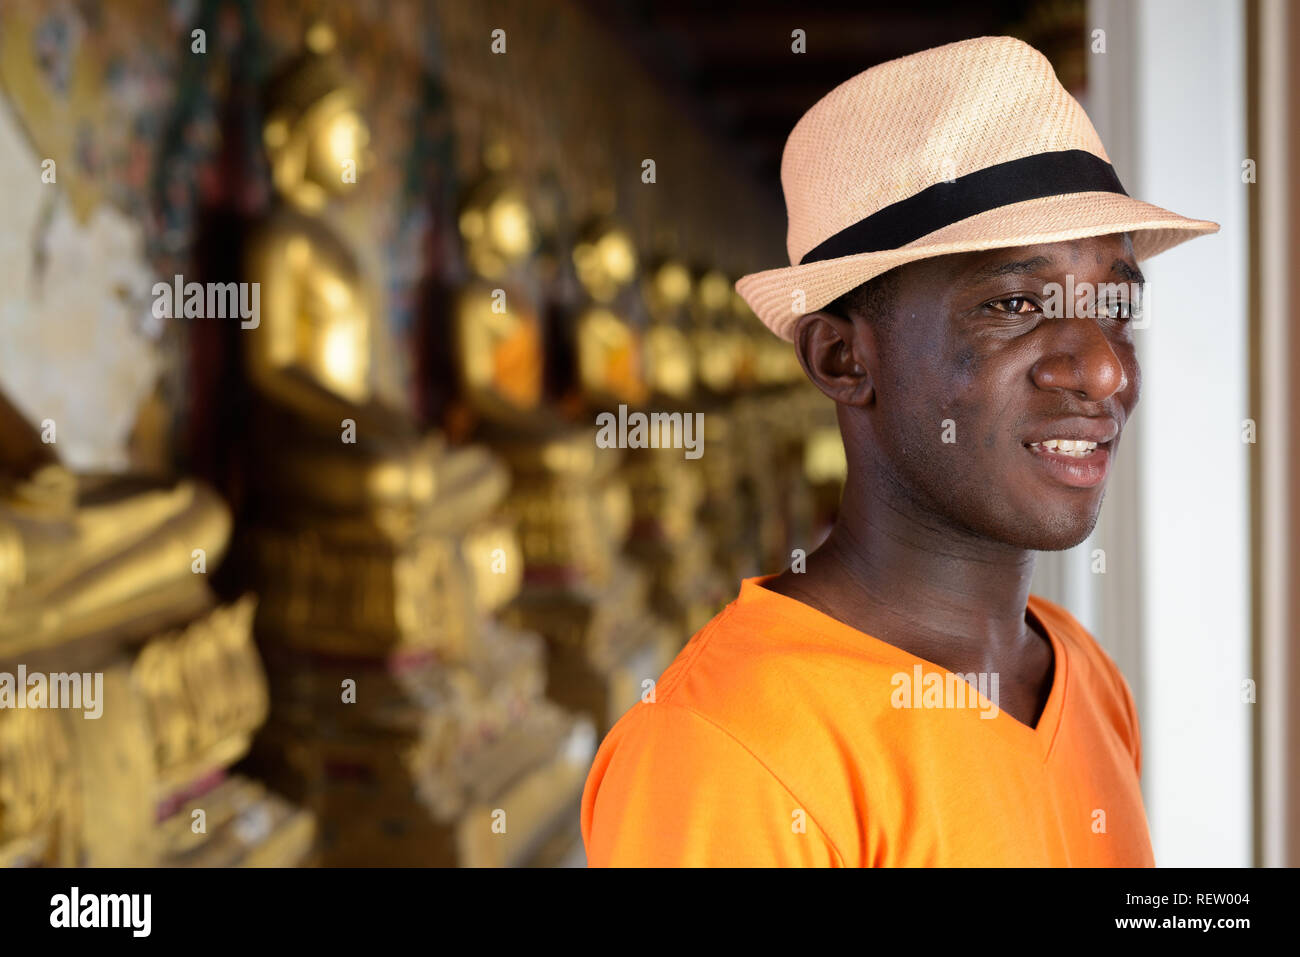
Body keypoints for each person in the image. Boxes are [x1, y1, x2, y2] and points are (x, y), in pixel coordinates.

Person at [580, 35, 1218, 866]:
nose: (1101, 365)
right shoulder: (729, 752)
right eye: (1017, 302)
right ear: (843, 359)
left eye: (1114, 310)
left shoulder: (1081, 673)